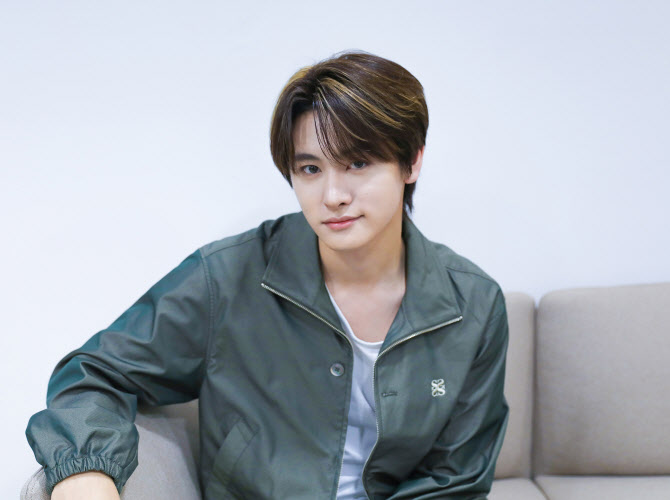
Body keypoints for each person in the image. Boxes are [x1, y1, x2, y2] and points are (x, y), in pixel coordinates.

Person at [26, 50, 509, 500]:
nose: (333, 195)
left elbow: (456, 478)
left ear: (412, 161)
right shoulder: (227, 278)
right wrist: (86, 472)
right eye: (311, 168)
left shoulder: (474, 305)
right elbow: (95, 372)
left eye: (358, 163)